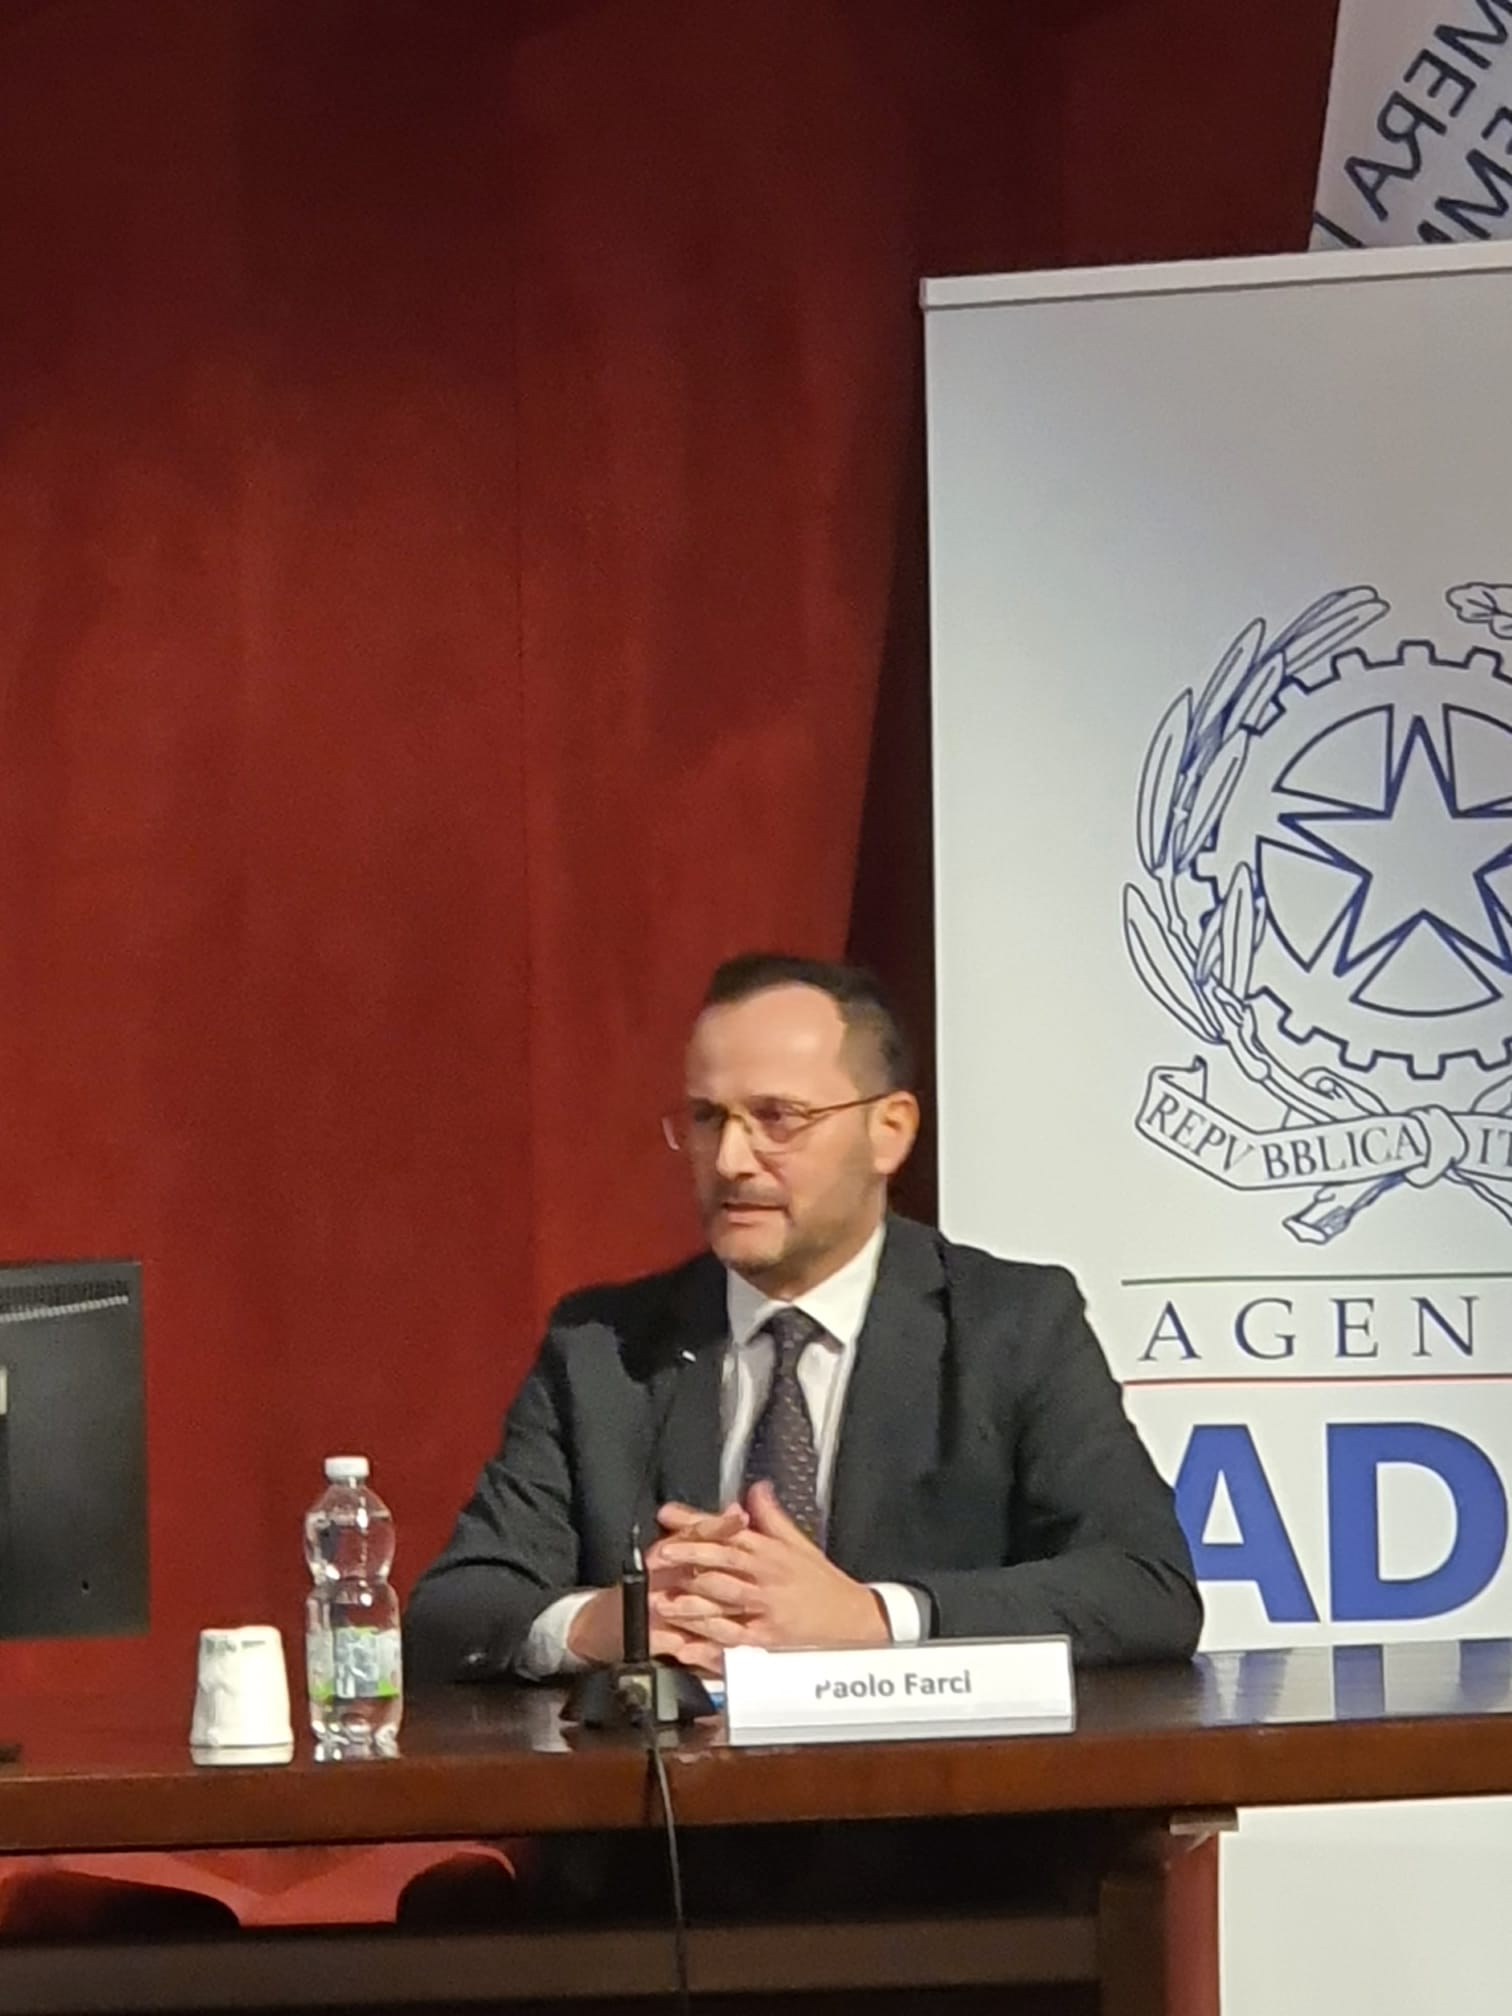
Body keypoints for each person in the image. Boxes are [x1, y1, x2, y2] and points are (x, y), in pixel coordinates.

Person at [406, 953, 1201, 1686]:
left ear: (889, 1131)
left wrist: (875, 1617)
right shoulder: (605, 1352)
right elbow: (451, 1613)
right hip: (677, 1794)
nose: (731, 1161)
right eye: (708, 1119)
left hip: (932, 1790)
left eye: (777, 1118)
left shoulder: (1011, 1327)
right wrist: (605, 1622)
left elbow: (1146, 1587)